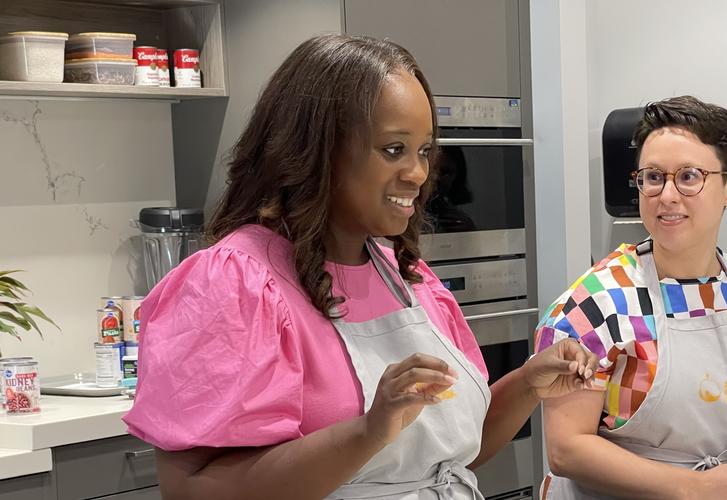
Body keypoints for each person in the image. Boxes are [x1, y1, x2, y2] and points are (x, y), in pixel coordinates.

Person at [122, 34, 597, 500]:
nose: (418, 173)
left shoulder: (407, 276)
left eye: (425, 151)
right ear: (317, 149)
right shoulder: (234, 283)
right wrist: (370, 430)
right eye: (394, 149)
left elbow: (447, 460)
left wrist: (527, 384)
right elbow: (189, 490)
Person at [535, 96, 727, 500]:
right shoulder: (597, 302)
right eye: (652, 177)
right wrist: (692, 487)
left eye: (689, 176)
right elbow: (567, 448)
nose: (667, 195)